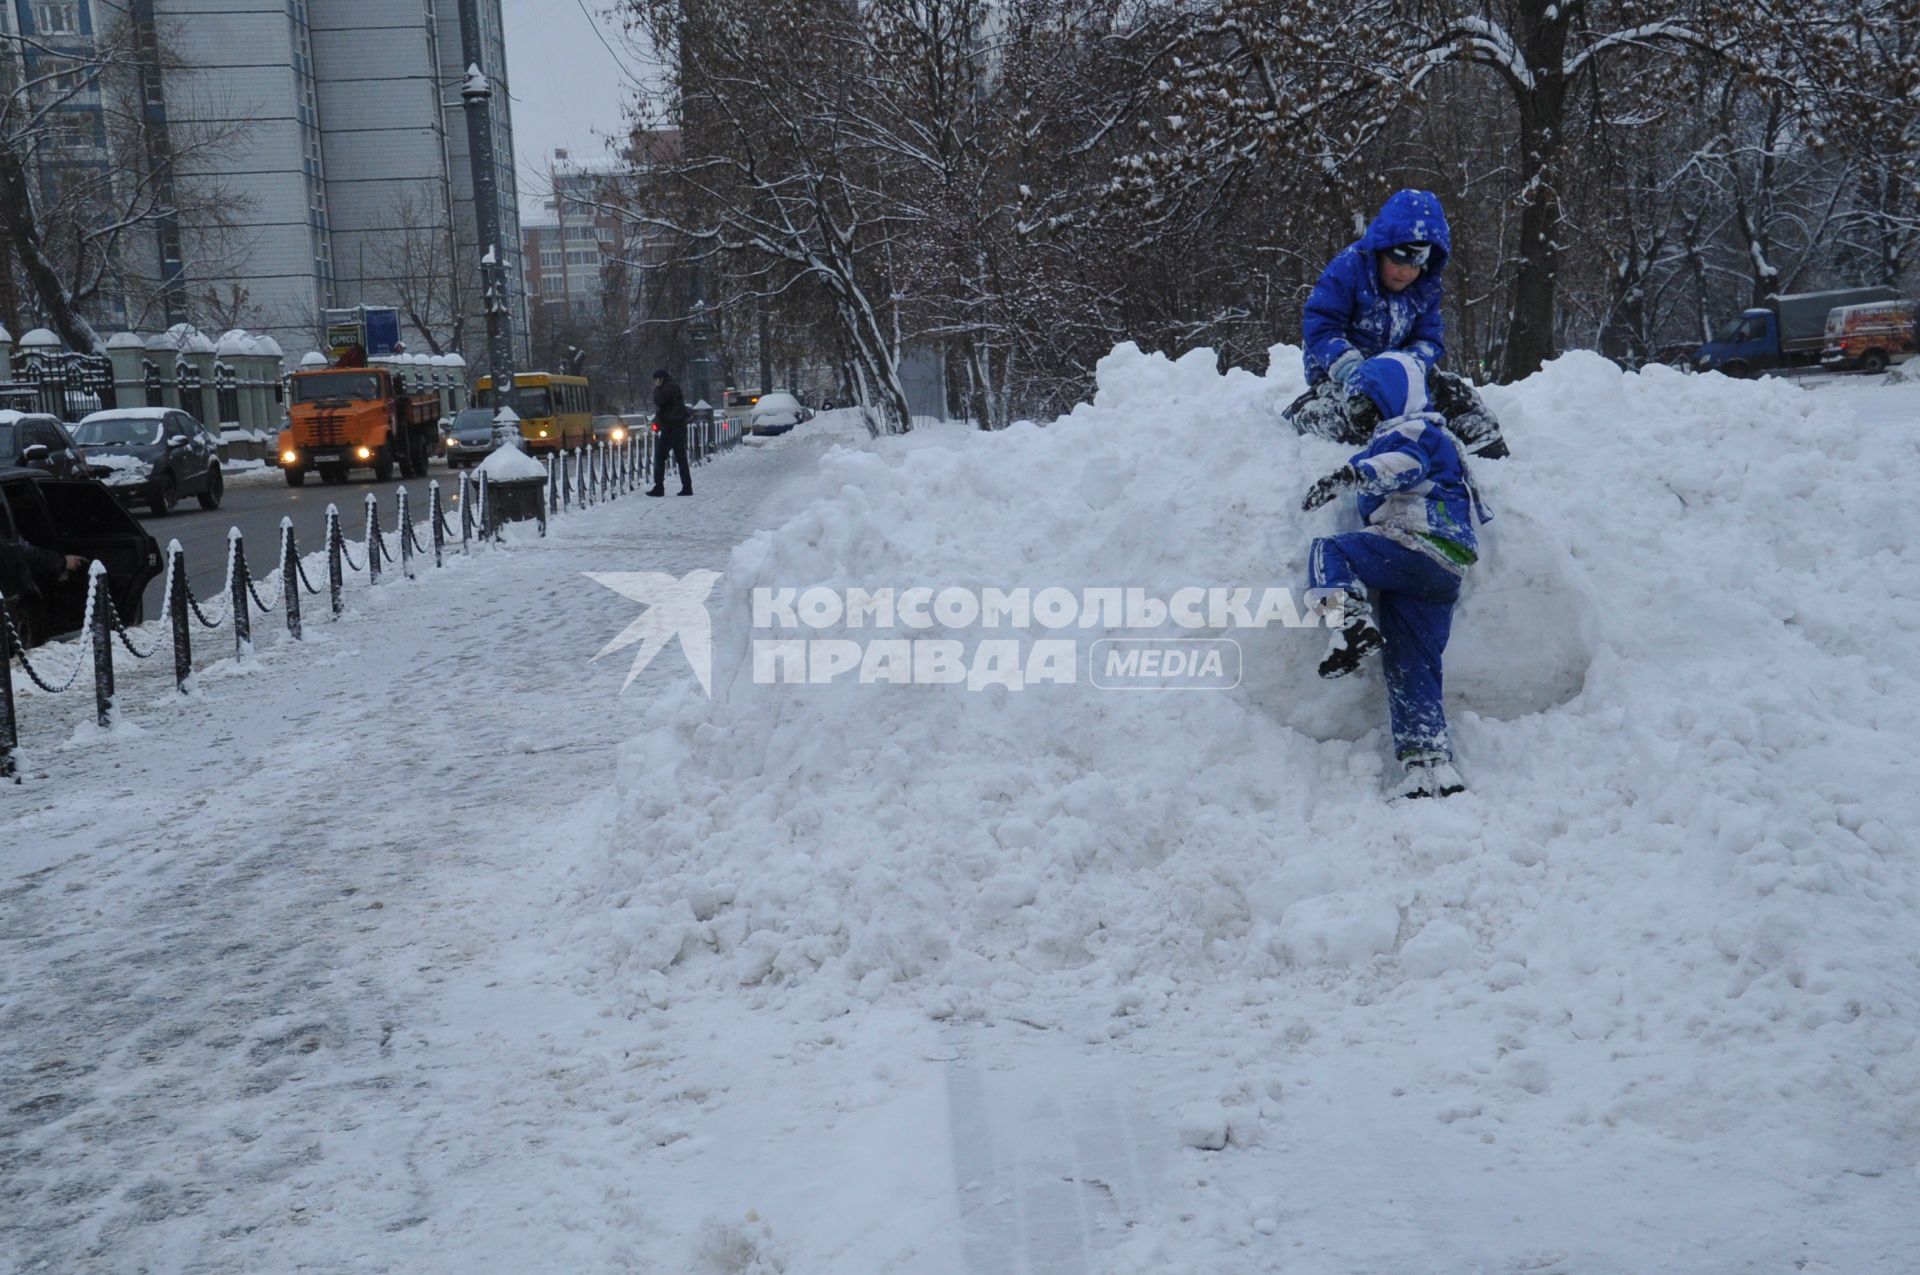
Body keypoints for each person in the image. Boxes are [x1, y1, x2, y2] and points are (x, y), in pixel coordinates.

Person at [1298, 352, 1491, 800]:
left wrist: (1353, 474)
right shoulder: (1438, 438)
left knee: (1330, 552)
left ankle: (1346, 623)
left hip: (1414, 543)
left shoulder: (1413, 430)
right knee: (1411, 664)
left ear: (1388, 397)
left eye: (1366, 401)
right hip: (1442, 568)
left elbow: (1404, 465)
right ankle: (1430, 767)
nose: (1360, 413)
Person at [1284, 189, 1508, 460]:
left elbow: (1429, 337)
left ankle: (1480, 439)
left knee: (1452, 391)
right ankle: (1306, 412)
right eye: (1397, 261)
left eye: (1415, 264)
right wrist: (1353, 370)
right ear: (1380, 250)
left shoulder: (1425, 288)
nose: (1405, 272)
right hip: (1343, 374)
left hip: (1400, 372)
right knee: (1356, 420)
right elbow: (1321, 326)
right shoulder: (1348, 270)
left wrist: (1410, 367)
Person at [649, 367, 691, 497]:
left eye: (656, 380)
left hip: (671, 427)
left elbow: (660, 401)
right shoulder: (673, 386)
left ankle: (659, 487)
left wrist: (656, 390)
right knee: (681, 458)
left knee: (660, 457)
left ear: (661, 379)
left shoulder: (667, 387)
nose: (655, 383)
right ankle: (687, 487)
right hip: (678, 426)